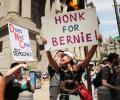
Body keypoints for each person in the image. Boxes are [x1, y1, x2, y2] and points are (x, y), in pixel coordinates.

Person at [41, 35, 102, 100]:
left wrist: (96, 43)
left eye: (63, 56)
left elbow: (89, 57)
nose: (61, 58)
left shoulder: (78, 69)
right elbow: (51, 60)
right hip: (63, 97)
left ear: (70, 58)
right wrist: (46, 46)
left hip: (75, 97)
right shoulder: (60, 70)